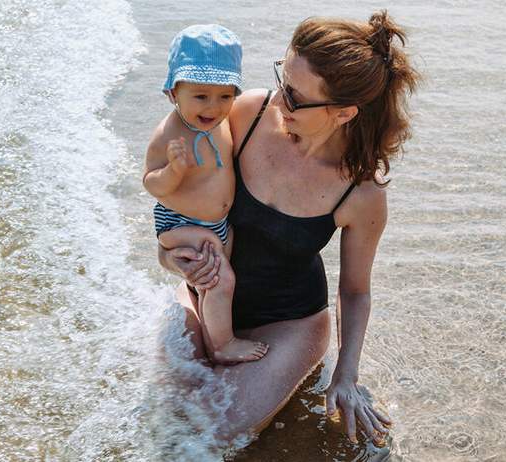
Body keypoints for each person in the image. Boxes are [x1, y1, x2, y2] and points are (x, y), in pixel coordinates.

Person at [157, 11, 420, 443]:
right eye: (282, 78)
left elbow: (355, 291)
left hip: (288, 325)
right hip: (201, 298)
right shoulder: (247, 113)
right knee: (165, 417)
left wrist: (346, 375)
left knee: (213, 433)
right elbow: (177, 208)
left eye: (296, 97)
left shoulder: (361, 193)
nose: (279, 100)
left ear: (343, 112)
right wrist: (171, 258)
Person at [143, 24, 269, 364]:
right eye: (200, 96)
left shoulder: (220, 121)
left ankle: (203, 317)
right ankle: (222, 345)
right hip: (181, 221)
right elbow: (151, 184)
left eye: (225, 96)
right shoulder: (169, 134)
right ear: (172, 93)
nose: (213, 107)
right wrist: (174, 170)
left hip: (218, 222)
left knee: (213, 276)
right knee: (220, 280)